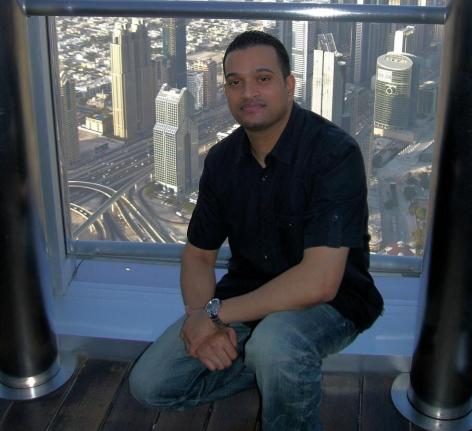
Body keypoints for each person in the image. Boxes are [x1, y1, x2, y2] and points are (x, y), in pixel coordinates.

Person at [129, 30, 383, 431]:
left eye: (262, 78)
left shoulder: (333, 154)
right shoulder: (222, 161)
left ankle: (277, 369)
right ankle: (271, 369)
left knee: (276, 344)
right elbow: (198, 255)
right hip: (247, 296)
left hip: (332, 302)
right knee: (151, 384)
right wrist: (200, 320)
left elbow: (319, 283)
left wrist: (215, 314)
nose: (248, 92)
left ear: (289, 85)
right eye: (235, 82)